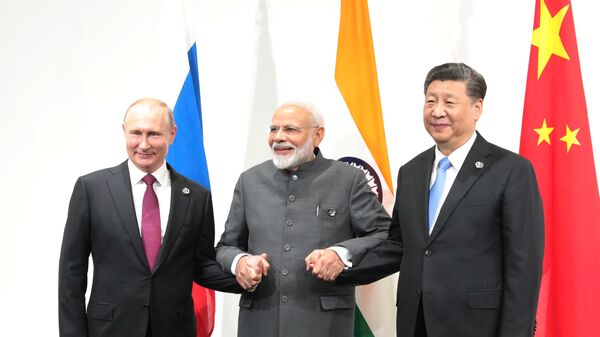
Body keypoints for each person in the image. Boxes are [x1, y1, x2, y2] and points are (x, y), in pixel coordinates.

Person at [335, 63, 544, 337]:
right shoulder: (411, 172)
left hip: (479, 327)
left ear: (477, 108)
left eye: (449, 102)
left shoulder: (511, 170)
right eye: (430, 101)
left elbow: (524, 264)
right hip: (415, 323)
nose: (437, 111)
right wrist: (340, 262)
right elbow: (400, 246)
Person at [58, 98, 241, 337]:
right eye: (136, 133)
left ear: (172, 134)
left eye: (154, 134)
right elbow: (71, 273)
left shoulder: (196, 196)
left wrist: (248, 277)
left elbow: (201, 265)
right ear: (124, 131)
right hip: (109, 329)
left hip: (175, 329)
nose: (143, 144)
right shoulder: (91, 189)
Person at [215, 102, 391, 337]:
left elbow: (385, 234)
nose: (278, 138)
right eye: (273, 129)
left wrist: (341, 253)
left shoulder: (349, 179)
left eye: (291, 130)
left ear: (318, 135)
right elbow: (226, 246)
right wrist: (239, 262)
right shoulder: (250, 181)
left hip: (324, 324)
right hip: (259, 322)